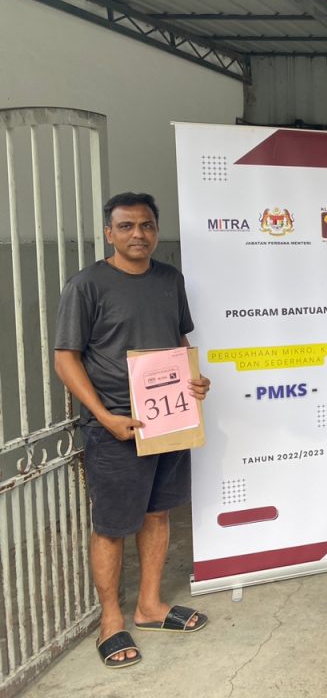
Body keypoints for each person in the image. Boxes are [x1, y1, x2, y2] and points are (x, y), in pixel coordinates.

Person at [54, 192, 212, 669]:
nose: (137, 234)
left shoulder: (170, 280)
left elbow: (178, 339)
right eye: (126, 226)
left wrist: (194, 378)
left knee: (158, 513)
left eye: (146, 226)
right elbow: (66, 359)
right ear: (109, 233)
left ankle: (149, 606)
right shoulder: (86, 285)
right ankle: (110, 621)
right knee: (112, 526)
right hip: (117, 424)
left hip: (169, 419)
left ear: (156, 231)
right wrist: (103, 415)